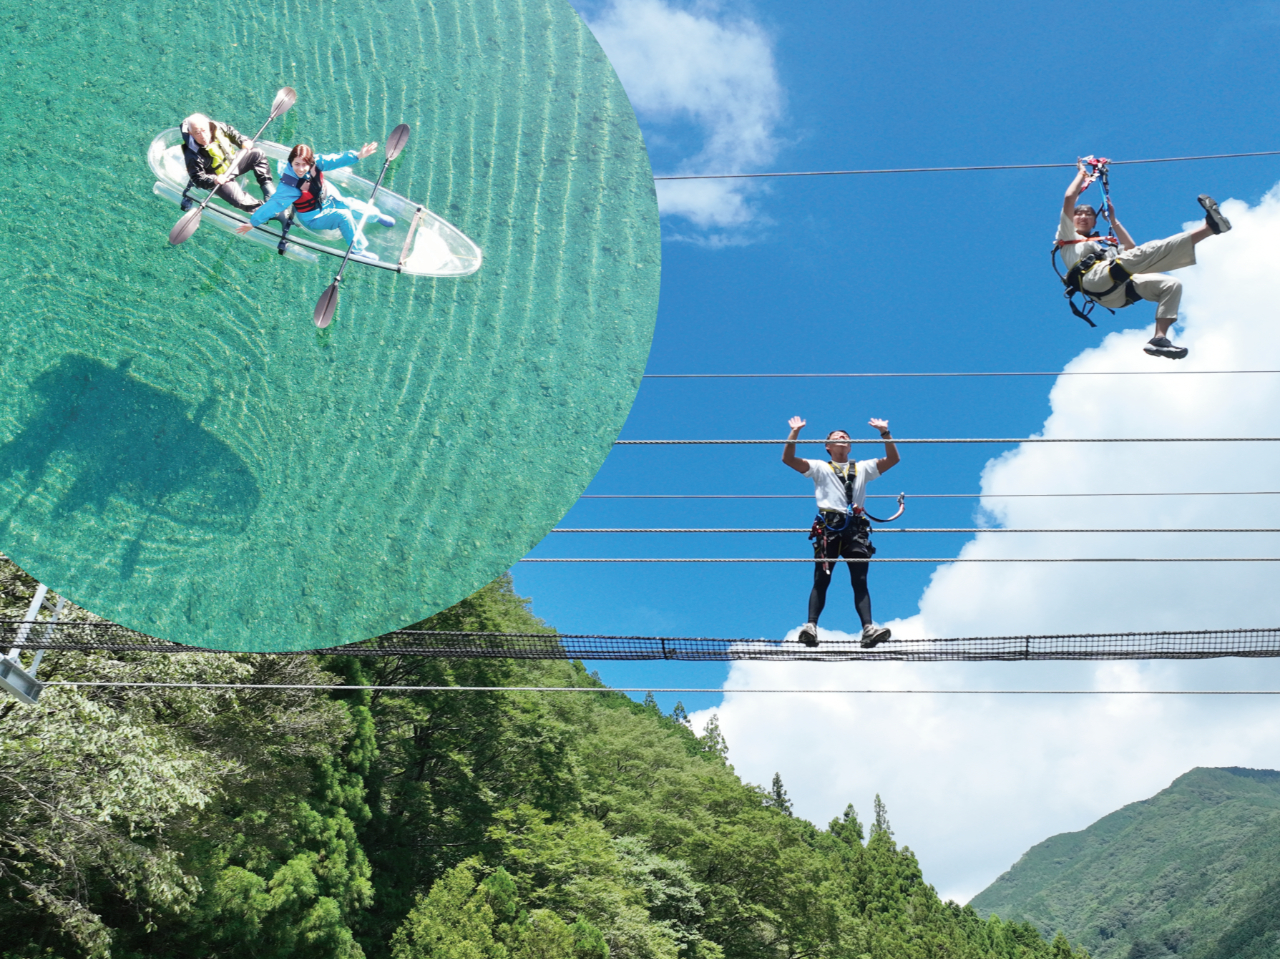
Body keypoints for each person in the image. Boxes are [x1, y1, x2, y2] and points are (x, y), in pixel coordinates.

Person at [1058, 159, 1232, 360]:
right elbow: (1069, 198)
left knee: (1171, 284)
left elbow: (1131, 249)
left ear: (1095, 221)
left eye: (1088, 214)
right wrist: (1082, 173)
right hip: (1094, 280)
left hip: (1118, 291)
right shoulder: (1067, 236)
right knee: (1146, 252)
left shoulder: (1102, 246)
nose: (1083, 216)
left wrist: (1114, 221)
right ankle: (1210, 228)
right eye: (1078, 214)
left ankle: (1159, 339)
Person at [782, 416, 899, 649]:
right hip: (830, 527)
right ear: (827, 446)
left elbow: (893, 459)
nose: (843, 438)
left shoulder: (863, 467)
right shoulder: (819, 467)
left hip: (855, 528)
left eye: (846, 437)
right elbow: (788, 459)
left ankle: (868, 629)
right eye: (837, 437)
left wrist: (885, 433)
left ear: (850, 445)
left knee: (860, 580)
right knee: (821, 578)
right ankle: (810, 627)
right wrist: (794, 432)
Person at [237, 142, 395, 260]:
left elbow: (335, 159)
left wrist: (357, 155)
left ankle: (376, 216)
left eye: (304, 164)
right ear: (291, 163)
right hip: (314, 217)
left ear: (311, 162)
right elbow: (274, 204)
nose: (300, 168)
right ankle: (357, 249)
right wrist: (253, 222)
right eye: (296, 164)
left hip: (328, 199)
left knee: (349, 204)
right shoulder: (289, 187)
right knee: (344, 215)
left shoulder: (317, 163)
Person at [181, 113, 275, 213]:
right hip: (218, 177)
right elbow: (198, 177)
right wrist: (214, 180)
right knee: (239, 200)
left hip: (232, 164)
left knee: (257, 154)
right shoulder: (191, 154)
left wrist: (242, 141)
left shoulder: (218, 127)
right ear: (191, 133)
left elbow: (231, 132)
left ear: (208, 126)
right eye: (197, 133)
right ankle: (265, 212)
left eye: (204, 130)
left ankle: (268, 189)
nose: (203, 136)